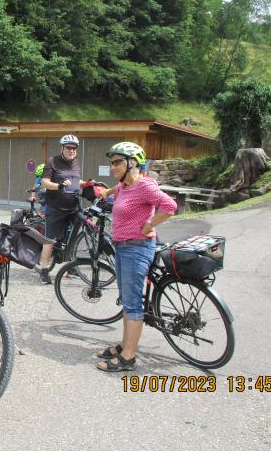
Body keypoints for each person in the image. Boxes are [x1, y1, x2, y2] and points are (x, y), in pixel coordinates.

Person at [95, 141, 177, 372]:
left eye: (117, 163)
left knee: (132, 304)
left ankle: (128, 357)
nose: (113, 167)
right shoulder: (124, 186)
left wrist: (149, 224)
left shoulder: (144, 186)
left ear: (133, 163)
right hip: (123, 248)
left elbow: (170, 206)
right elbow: (114, 191)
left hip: (137, 248)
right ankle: (124, 345)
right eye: (112, 163)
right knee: (127, 300)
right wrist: (104, 193)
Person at [38, 135, 87, 284]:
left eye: (74, 148)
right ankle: (44, 270)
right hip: (55, 207)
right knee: (50, 240)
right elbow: (44, 182)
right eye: (69, 148)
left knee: (74, 235)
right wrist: (58, 185)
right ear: (62, 148)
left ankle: (71, 268)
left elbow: (76, 181)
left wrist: (89, 185)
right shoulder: (52, 161)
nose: (72, 151)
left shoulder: (76, 163)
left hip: (73, 206)